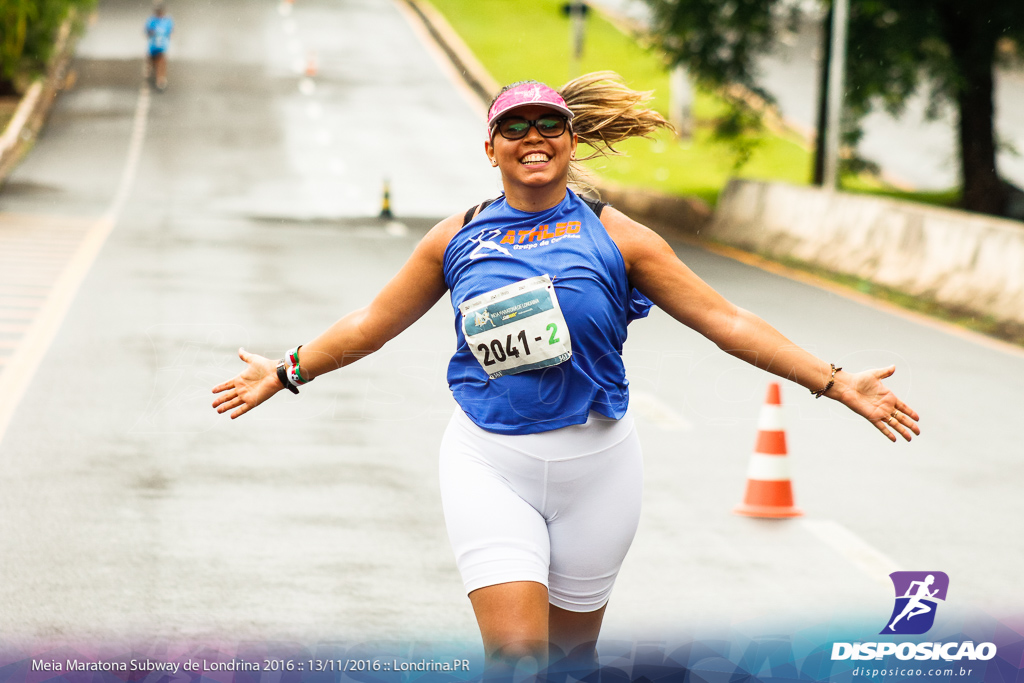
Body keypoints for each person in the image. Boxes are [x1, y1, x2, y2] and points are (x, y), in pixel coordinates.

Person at [211, 72, 920, 675]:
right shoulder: (455, 238)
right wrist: (286, 369)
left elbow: (725, 320)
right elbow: (373, 322)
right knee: (519, 656)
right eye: (513, 127)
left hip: (599, 468)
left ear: (570, 141)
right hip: (490, 460)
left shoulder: (620, 238)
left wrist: (834, 381)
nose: (533, 137)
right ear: (490, 149)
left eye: (548, 124)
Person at [145, 2, 174, 91]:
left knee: (162, 62)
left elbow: (171, 32)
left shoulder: (168, 21)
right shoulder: (151, 20)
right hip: (153, 46)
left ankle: (161, 80)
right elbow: (146, 32)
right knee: (153, 63)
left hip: (162, 46)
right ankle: (154, 76)